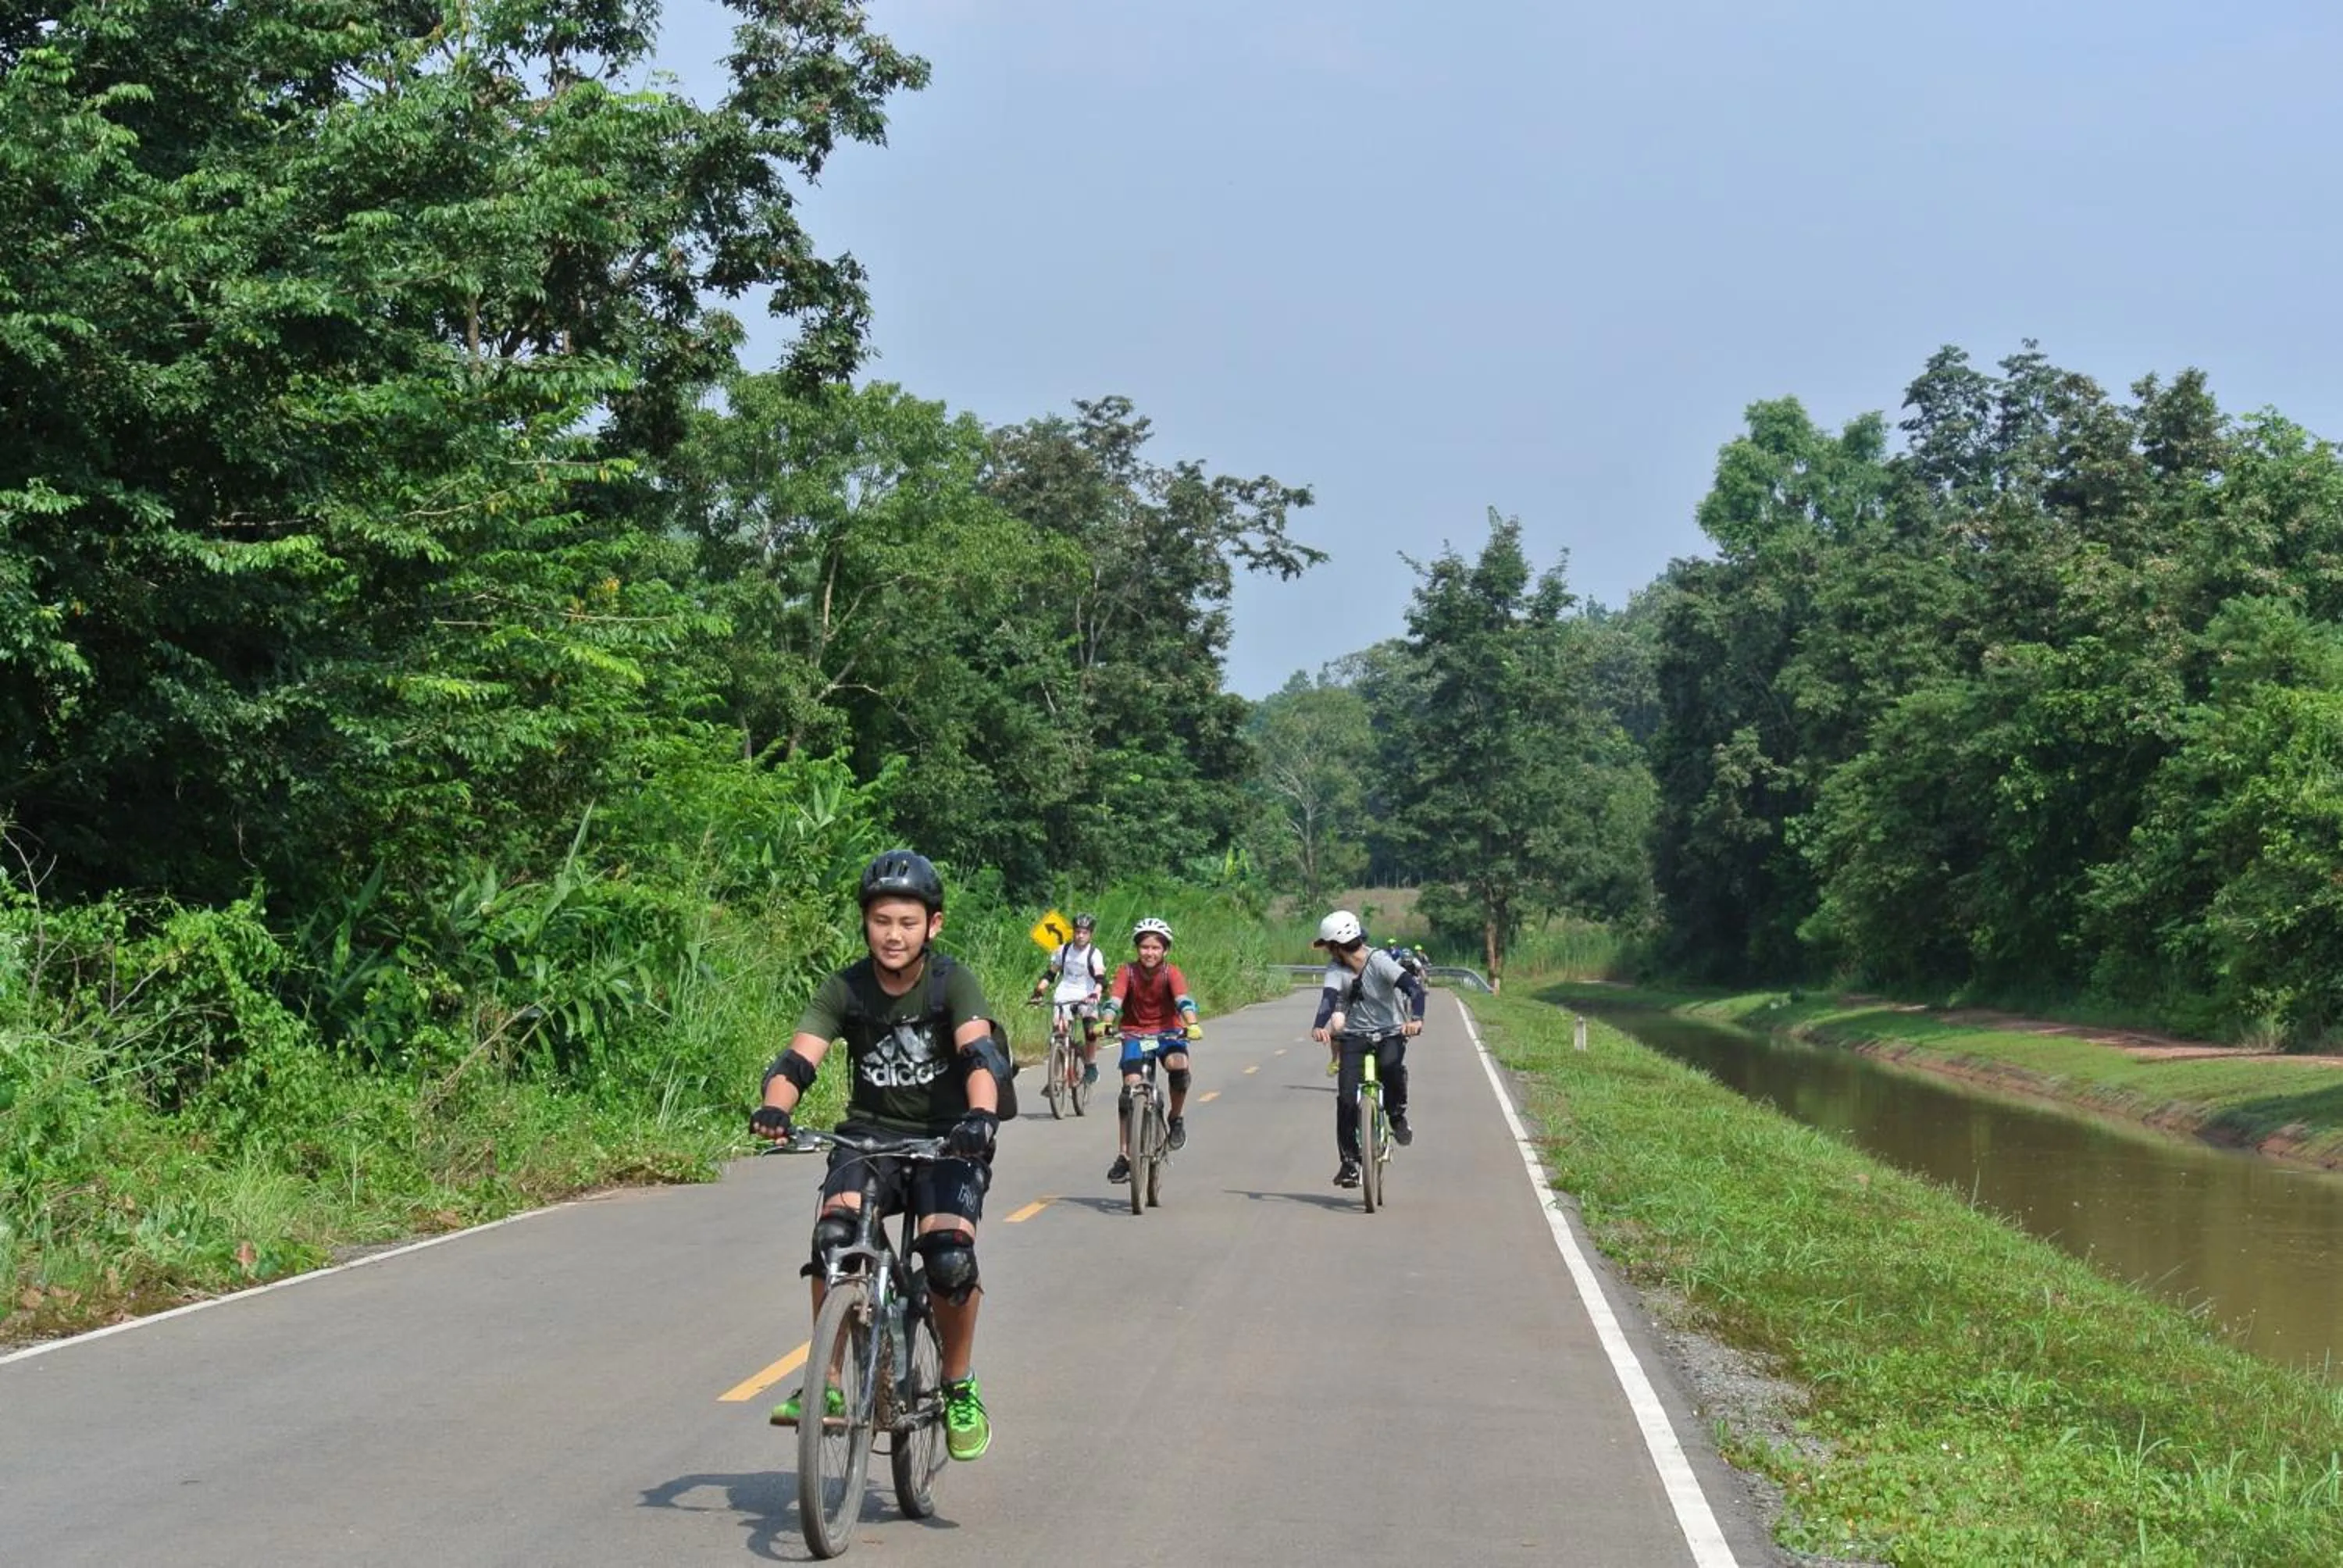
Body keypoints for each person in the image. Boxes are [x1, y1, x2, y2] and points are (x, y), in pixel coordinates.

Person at [750, 850, 1003, 1462]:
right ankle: (829, 1385)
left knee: (948, 1260)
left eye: (908, 922)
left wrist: (980, 1117)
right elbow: (797, 1060)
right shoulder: (845, 986)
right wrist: (776, 1107)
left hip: (948, 1139)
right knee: (834, 1237)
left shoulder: (953, 982)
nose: (894, 934)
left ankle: (958, 1384)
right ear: (865, 922)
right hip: (867, 1136)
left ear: (933, 926)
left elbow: (980, 1056)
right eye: (882, 920)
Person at [1310, 909, 1425, 1188]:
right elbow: (1329, 998)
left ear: (1338, 945)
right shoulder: (1336, 969)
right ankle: (1350, 1162)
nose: (1328, 953)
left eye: (1328, 947)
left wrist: (1416, 1020)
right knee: (1347, 1098)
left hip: (1390, 1031)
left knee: (1390, 1067)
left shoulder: (1380, 961)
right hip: (1354, 1036)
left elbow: (1415, 989)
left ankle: (1397, 1115)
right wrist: (1319, 1025)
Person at [1098, 915, 1203, 1182]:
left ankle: (1176, 1119)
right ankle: (1124, 1154)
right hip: (1134, 1033)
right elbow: (1115, 1000)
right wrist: (1107, 1022)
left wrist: (1192, 1024)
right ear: (1137, 949)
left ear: (1165, 950)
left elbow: (1183, 1001)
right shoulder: (1127, 972)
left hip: (1168, 1032)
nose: (1150, 952)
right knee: (1130, 1087)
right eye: (1145, 947)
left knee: (1178, 1064)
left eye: (1156, 947)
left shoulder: (1171, 973)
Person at [1027, 911, 1107, 1085]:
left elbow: (1100, 978)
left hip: (1087, 991)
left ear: (1090, 934)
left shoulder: (1094, 953)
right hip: (1066, 990)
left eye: (1084, 932)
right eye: (1077, 931)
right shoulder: (1063, 950)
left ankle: (1091, 1064)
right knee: (1059, 1032)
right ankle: (1057, 1076)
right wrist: (1039, 991)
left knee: (1091, 1028)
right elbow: (1051, 973)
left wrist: (1096, 992)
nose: (1080, 936)